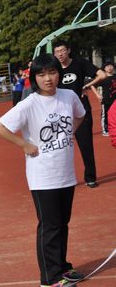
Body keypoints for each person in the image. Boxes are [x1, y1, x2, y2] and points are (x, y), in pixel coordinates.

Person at [0, 54, 86, 287]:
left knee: (62, 223)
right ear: (34, 77)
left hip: (65, 171)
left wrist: (68, 134)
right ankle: (50, 276)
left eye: (52, 72)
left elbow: (80, 115)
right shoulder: (29, 104)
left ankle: (62, 267)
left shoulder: (69, 96)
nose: (48, 78)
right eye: (42, 74)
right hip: (43, 175)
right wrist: (24, 145)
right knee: (50, 226)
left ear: (59, 74)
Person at [53, 40, 107, 188]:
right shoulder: (54, 69)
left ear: (68, 50)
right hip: (61, 112)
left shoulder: (80, 63)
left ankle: (90, 177)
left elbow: (101, 75)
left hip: (81, 111)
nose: (60, 54)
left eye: (62, 51)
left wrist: (87, 86)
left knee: (86, 146)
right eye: (57, 52)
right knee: (59, 147)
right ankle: (61, 179)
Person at [97, 61, 115, 136]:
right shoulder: (102, 78)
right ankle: (105, 130)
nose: (109, 68)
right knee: (105, 115)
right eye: (107, 66)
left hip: (115, 100)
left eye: (111, 66)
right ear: (104, 68)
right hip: (106, 100)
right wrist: (98, 95)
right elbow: (93, 85)